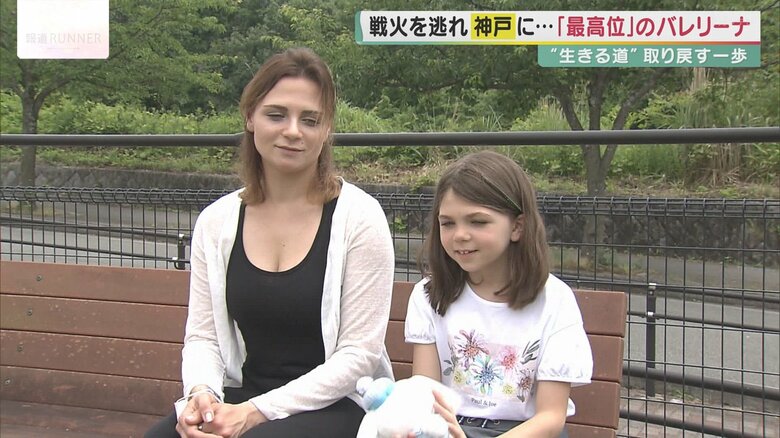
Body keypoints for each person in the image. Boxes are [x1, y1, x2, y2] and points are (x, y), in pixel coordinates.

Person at [145, 47, 395, 438]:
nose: (293, 131)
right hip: (244, 396)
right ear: (250, 117)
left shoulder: (360, 218)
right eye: (276, 115)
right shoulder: (216, 222)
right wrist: (202, 395)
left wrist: (255, 413)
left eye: (310, 119)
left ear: (326, 129)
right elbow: (203, 336)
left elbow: (358, 355)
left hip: (338, 403)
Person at [404, 150, 593, 438]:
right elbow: (426, 397)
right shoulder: (429, 295)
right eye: (448, 223)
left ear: (517, 226)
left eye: (478, 222)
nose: (460, 235)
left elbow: (551, 418)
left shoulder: (555, 301)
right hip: (449, 428)